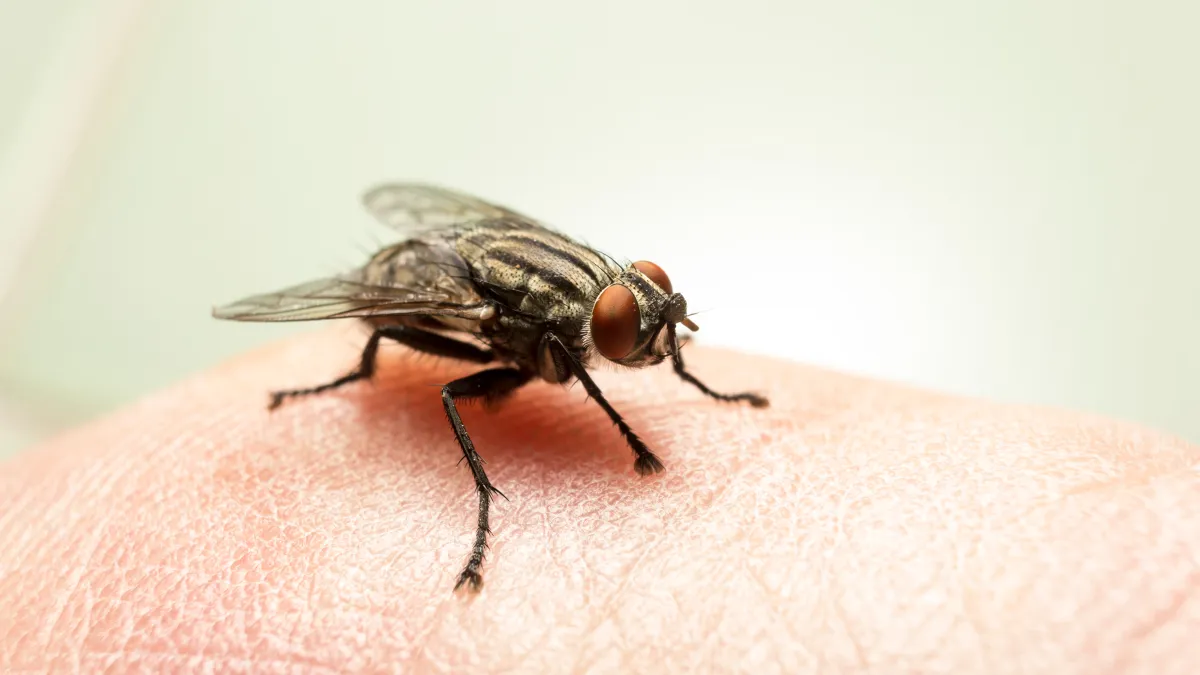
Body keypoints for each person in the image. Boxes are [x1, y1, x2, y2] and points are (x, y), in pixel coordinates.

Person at [1, 325, 1196, 673]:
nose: (658, 328)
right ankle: (477, 506)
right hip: (448, 309)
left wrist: (689, 379)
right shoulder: (534, 340)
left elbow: (625, 345)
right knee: (471, 395)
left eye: (649, 307)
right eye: (640, 318)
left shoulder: (603, 315)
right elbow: (528, 358)